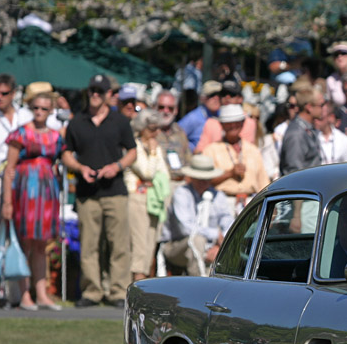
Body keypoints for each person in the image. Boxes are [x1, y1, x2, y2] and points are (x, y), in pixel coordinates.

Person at [62, 74, 137, 308]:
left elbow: (132, 152)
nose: (95, 94)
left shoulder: (120, 121)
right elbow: (65, 154)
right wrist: (79, 167)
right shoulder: (76, 122)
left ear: (107, 95)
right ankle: (92, 291)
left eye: (100, 91)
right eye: (92, 90)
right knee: (89, 244)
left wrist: (116, 167)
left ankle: (117, 292)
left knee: (119, 244)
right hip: (87, 193)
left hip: (115, 190)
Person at [0, 91, 64, 310]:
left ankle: (42, 294)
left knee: (41, 245)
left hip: (47, 192)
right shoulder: (21, 133)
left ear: (50, 111)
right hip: (26, 190)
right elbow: (9, 169)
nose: (39, 112)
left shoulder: (56, 136)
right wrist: (7, 201)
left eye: (44, 109)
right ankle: (24, 294)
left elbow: (64, 160)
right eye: (35, 108)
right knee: (25, 242)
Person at [159, 154, 233, 275]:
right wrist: (215, 235)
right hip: (176, 247)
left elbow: (228, 221)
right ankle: (199, 286)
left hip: (211, 246)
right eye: (200, 178)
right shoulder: (181, 193)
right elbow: (186, 229)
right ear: (192, 177)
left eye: (207, 179)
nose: (204, 182)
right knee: (197, 241)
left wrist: (220, 246)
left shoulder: (218, 196)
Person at [123, 109, 169, 282]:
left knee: (151, 243)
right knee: (139, 243)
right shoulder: (134, 147)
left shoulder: (155, 147)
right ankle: (137, 281)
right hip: (136, 198)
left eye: (158, 128)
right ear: (141, 128)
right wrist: (154, 153)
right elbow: (148, 172)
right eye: (152, 128)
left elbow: (165, 174)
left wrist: (155, 155)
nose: (156, 132)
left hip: (153, 200)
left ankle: (143, 281)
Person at [202, 104, 270, 215]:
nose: (233, 126)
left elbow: (263, 182)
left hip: (251, 203)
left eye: (237, 122)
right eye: (228, 123)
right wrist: (229, 173)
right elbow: (205, 181)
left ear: (243, 123)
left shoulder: (253, 150)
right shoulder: (211, 150)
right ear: (222, 125)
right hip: (221, 203)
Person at [0, 74, 33, 258]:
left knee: (23, 233)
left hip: (26, 178)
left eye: (4, 93)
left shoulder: (26, 116)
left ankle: (19, 286)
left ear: (13, 93)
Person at [279, 87, 322, 176]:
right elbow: (293, 172)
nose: (323, 109)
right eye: (320, 105)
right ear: (309, 107)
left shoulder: (308, 129)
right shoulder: (296, 134)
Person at [153, 90, 192, 183]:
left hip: (182, 181)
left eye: (170, 108)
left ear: (176, 110)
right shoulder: (148, 132)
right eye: (161, 107)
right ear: (154, 108)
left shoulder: (180, 132)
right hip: (160, 182)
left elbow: (189, 159)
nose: (166, 111)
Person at [176, 79, 222, 152]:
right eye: (212, 95)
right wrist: (192, 148)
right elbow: (175, 136)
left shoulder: (224, 115)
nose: (216, 98)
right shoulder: (193, 117)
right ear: (203, 98)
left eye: (219, 95)